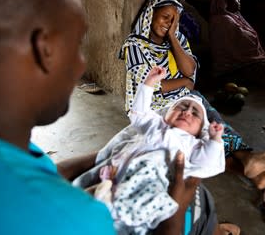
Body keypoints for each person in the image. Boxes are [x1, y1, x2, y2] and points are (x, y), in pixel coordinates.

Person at [0, 0, 198, 235]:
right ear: (44, 49)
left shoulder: (1, 146)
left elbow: (43, 172)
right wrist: (173, 219)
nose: (81, 66)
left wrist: (110, 154)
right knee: (195, 206)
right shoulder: (80, 220)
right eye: (76, 43)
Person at [119, 0, 265, 189]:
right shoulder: (135, 46)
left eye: (174, 20)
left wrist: (173, 37)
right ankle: (248, 164)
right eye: (165, 17)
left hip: (182, 98)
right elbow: (150, 84)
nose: (169, 23)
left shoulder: (177, 38)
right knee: (197, 139)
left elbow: (189, 69)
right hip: (152, 106)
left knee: (212, 128)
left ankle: (249, 163)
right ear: (150, 14)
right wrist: (183, 83)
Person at [73, 66, 226, 234]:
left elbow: (210, 162)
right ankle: (107, 207)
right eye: (181, 106)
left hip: (155, 179)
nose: (187, 112)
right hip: (123, 173)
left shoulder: (193, 144)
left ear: (199, 131)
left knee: (140, 203)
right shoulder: (155, 125)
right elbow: (139, 113)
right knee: (107, 189)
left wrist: (215, 139)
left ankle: (115, 212)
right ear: (166, 114)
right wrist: (149, 83)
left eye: (195, 113)